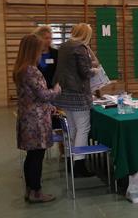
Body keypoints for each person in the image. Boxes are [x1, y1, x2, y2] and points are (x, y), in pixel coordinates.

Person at [14, 34, 61, 203]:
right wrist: (56, 90)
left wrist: (48, 106)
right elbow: (43, 94)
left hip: (28, 116)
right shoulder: (31, 70)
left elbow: (31, 95)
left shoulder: (20, 68)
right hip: (36, 120)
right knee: (37, 157)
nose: (41, 53)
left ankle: (30, 189)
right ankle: (36, 191)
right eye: (39, 50)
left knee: (31, 155)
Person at [53, 23, 99, 178]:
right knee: (83, 128)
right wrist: (95, 71)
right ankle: (79, 164)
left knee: (72, 128)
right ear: (86, 34)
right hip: (78, 95)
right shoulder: (80, 48)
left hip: (64, 93)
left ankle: (70, 159)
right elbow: (85, 72)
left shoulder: (64, 46)